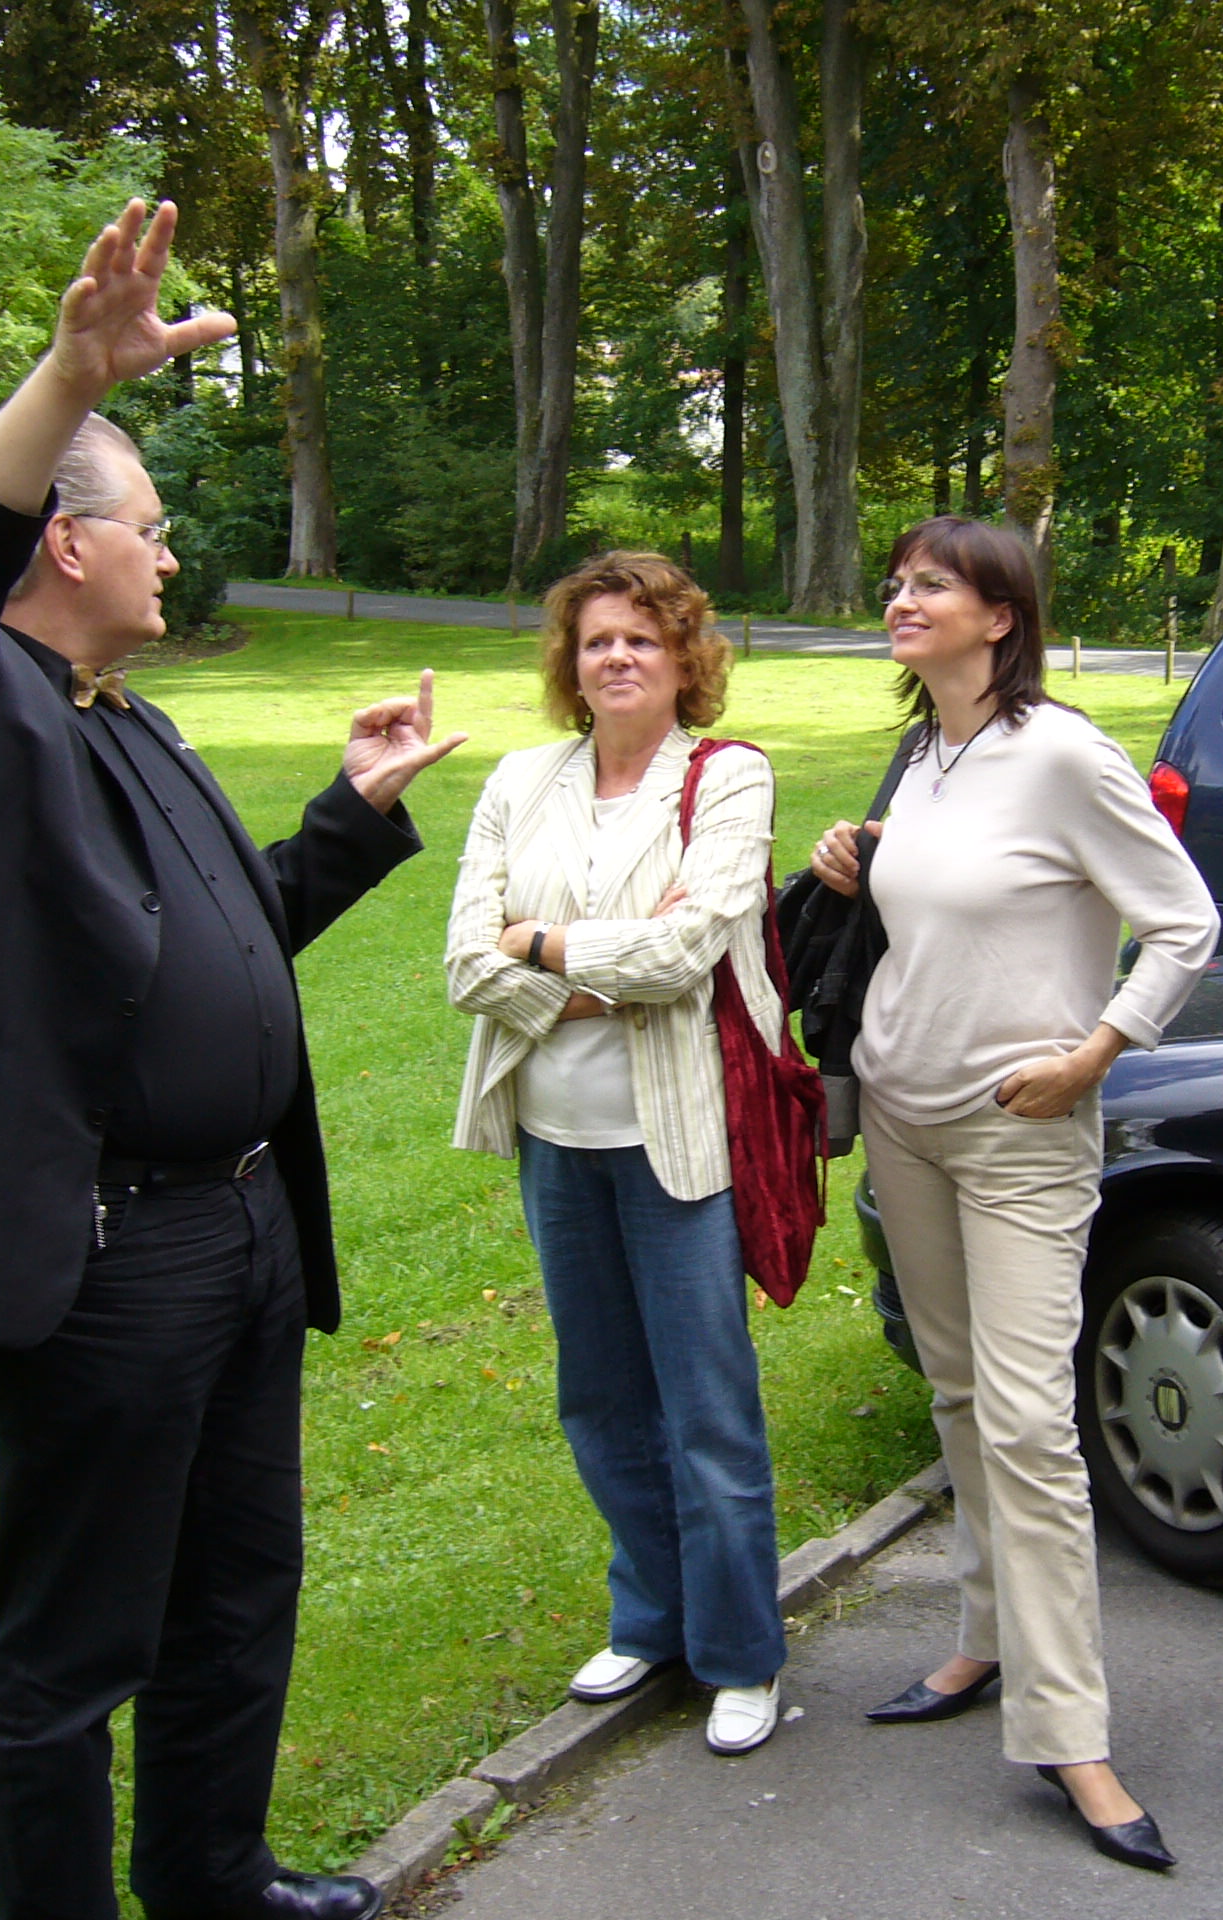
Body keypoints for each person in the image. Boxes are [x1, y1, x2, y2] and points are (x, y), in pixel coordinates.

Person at [0, 201, 462, 1920]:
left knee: (238, 1588)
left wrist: (349, 816)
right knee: (76, 1644)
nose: (172, 561)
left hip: (244, 1223)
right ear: (64, 544)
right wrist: (67, 377)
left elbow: (223, 930)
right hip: (108, 1249)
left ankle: (212, 1881)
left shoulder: (133, 718)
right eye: (154, 531)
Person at [808, 517, 1216, 1872]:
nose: (901, 596)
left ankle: (1070, 1733)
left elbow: (1186, 923)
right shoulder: (926, 750)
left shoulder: (1063, 754)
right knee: (960, 1397)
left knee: (1033, 1425)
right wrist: (857, 857)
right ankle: (984, 1639)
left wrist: (1097, 1052)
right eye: (897, 580)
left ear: (1001, 615)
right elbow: (939, 908)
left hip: (1021, 1133)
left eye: (932, 583)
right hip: (904, 1121)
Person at [444, 551, 789, 1758]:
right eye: (597, 640)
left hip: (672, 1145)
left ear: (685, 658)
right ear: (570, 662)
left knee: (706, 1411)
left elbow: (688, 953)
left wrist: (538, 945)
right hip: (555, 1140)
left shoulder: (727, 778)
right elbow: (462, 961)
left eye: (643, 638)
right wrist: (595, 970)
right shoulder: (520, 779)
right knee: (599, 1400)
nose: (618, 657)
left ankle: (740, 1653)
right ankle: (651, 1620)